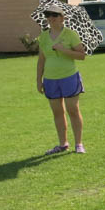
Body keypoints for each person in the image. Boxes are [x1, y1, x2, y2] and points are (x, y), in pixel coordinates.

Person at [37, 8, 88, 154]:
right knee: (57, 113)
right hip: (50, 80)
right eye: (48, 15)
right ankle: (62, 144)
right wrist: (38, 80)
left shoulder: (70, 34)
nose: (51, 18)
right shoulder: (44, 37)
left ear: (62, 18)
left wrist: (62, 49)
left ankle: (79, 144)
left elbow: (81, 56)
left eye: (54, 15)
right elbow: (41, 60)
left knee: (73, 110)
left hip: (69, 77)